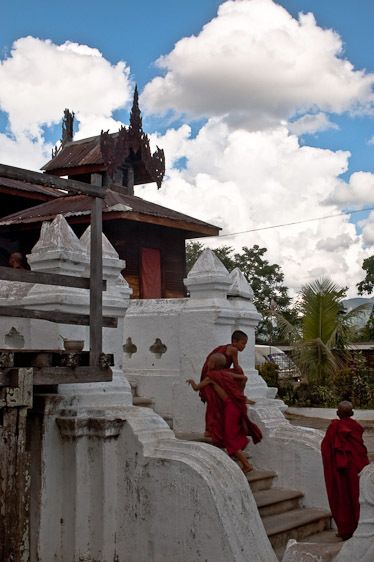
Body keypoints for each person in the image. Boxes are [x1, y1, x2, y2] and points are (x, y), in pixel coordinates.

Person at [187, 352, 261, 474]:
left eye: (210, 361)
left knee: (228, 439)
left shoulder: (210, 376)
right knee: (228, 433)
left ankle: (246, 465)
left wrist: (192, 382)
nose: (208, 363)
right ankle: (240, 449)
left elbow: (197, 388)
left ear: (214, 364)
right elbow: (244, 378)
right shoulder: (227, 374)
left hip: (230, 408)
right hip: (237, 405)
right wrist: (240, 393)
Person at [321, 401, 370, 540]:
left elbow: (326, 448)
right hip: (357, 467)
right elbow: (361, 450)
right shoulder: (356, 427)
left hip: (341, 470)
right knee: (358, 497)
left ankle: (347, 529)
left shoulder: (335, 427)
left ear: (338, 413)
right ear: (352, 413)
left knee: (343, 498)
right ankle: (361, 528)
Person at [200, 330, 254, 437]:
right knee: (241, 376)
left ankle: (209, 430)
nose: (244, 346)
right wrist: (237, 376)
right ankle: (240, 396)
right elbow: (236, 367)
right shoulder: (234, 350)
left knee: (213, 404)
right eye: (243, 343)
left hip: (215, 374)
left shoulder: (226, 347)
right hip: (217, 374)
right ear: (235, 342)